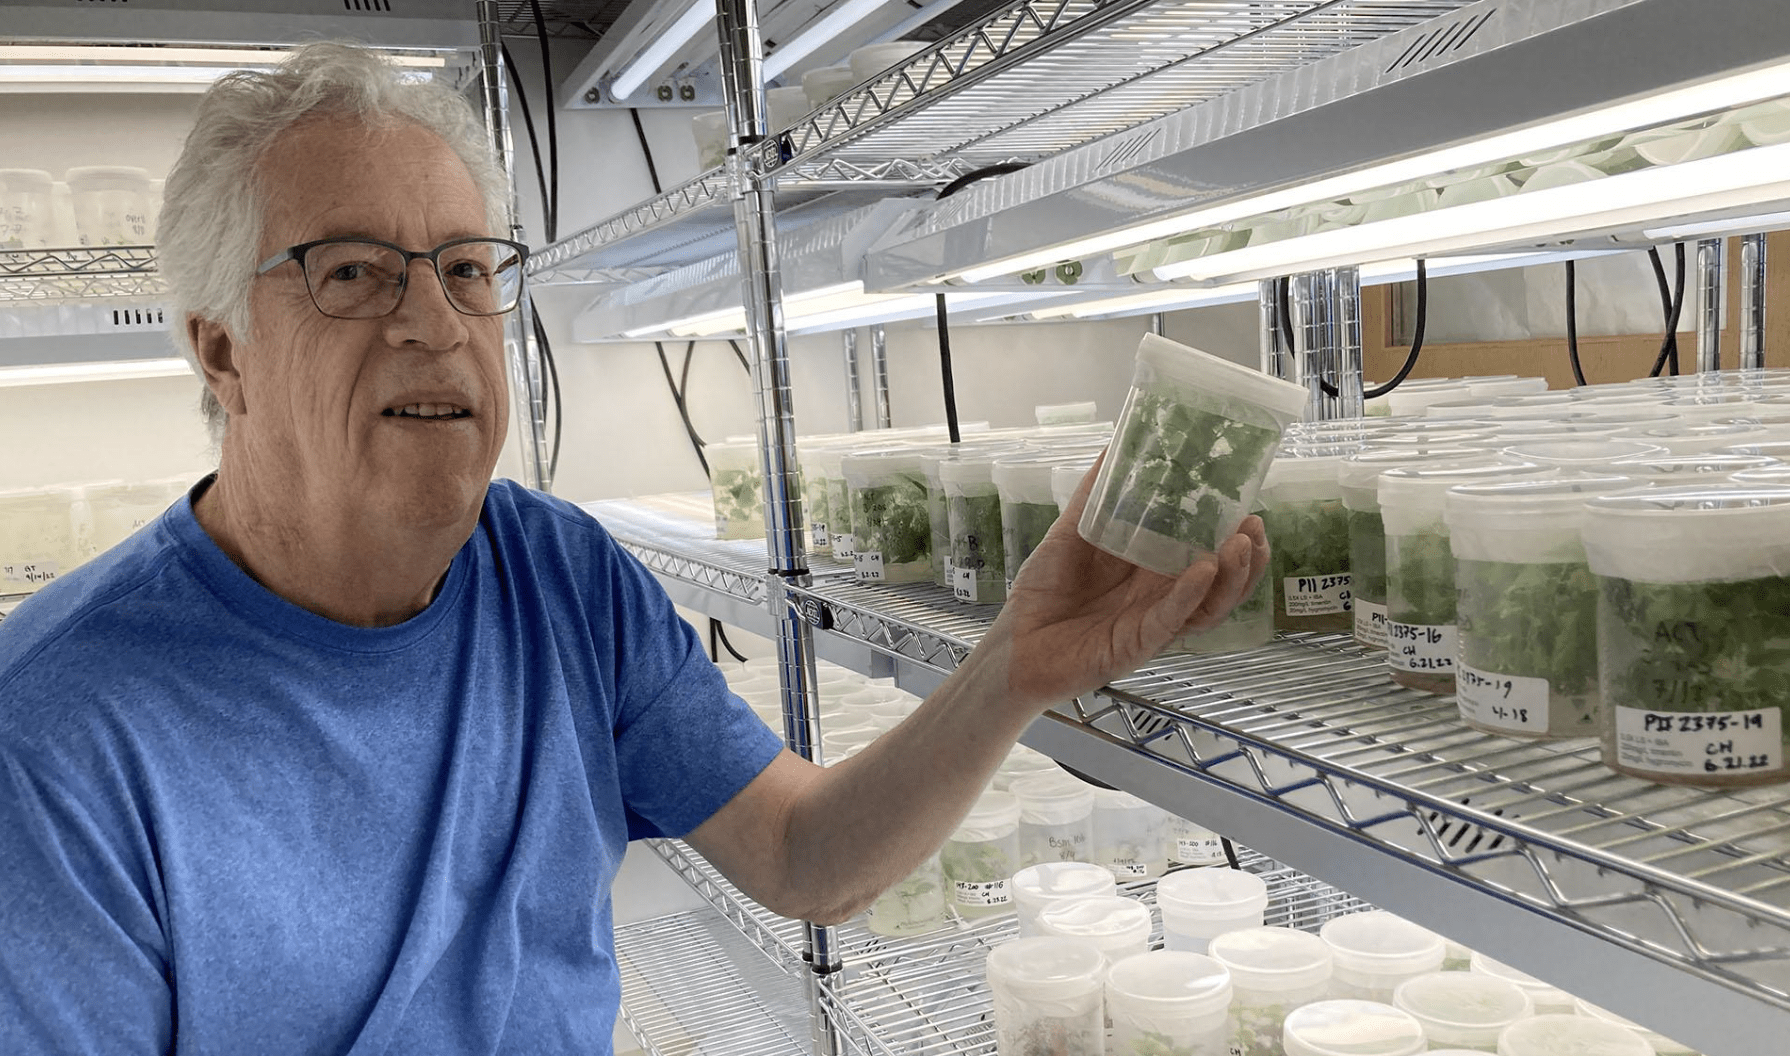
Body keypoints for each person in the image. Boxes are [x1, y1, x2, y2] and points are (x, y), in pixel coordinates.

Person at [0, 43, 1267, 1055]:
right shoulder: (55, 734)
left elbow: (801, 855)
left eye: (463, 269)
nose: (434, 325)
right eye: (351, 274)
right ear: (219, 347)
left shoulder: (559, 574)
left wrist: (1012, 670)